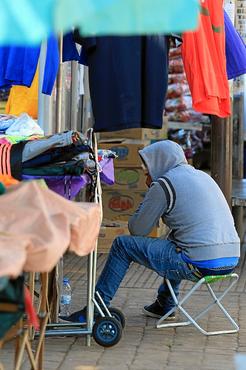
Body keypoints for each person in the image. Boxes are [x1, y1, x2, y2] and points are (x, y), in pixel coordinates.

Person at [63, 140, 240, 323]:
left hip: (200, 263)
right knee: (175, 242)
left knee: (122, 245)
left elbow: (137, 229)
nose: (145, 171)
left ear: (159, 162)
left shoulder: (165, 183)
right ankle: (166, 303)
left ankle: (95, 310)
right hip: (231, 259)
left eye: (147, 167)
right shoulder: (202, 176)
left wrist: (151, 193)